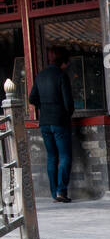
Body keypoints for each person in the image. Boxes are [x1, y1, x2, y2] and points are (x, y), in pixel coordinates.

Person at [28, 47, 75, 203]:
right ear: (63, 62)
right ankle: (62, 191)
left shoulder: (40, 76)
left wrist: (44, 107)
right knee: (65, 156)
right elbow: (68, 103)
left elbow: (32, 98)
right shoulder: (62, 76)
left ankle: (54, 193)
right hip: (59, 121)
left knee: (52, 157)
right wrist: (66, 113)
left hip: (45, 122)